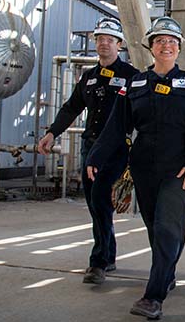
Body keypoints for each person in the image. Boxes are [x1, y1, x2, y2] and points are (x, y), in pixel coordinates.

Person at [85, 17, 185, 319]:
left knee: (168, 226)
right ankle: (166, 273)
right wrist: (96, 157)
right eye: (160, 41)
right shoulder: (136, 83)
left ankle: (153, 297)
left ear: (179, 48)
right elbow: (116, 126)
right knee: (155, 226)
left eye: (171, 41)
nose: (166, 46)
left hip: (179, 169)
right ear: (151, 47)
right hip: (143, 166)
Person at [38, 16, 138, 285]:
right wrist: (51, 132)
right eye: (100, 39)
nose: (104, 43)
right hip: (90, 147)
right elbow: (72, 107)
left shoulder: (132, 77)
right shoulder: (89, 78)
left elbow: (142, 115)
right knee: (96, 205)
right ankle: (110, 254)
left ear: (120, 44)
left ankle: (99, 262)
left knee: (100, 200)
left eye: (109, 39)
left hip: (117, 151)